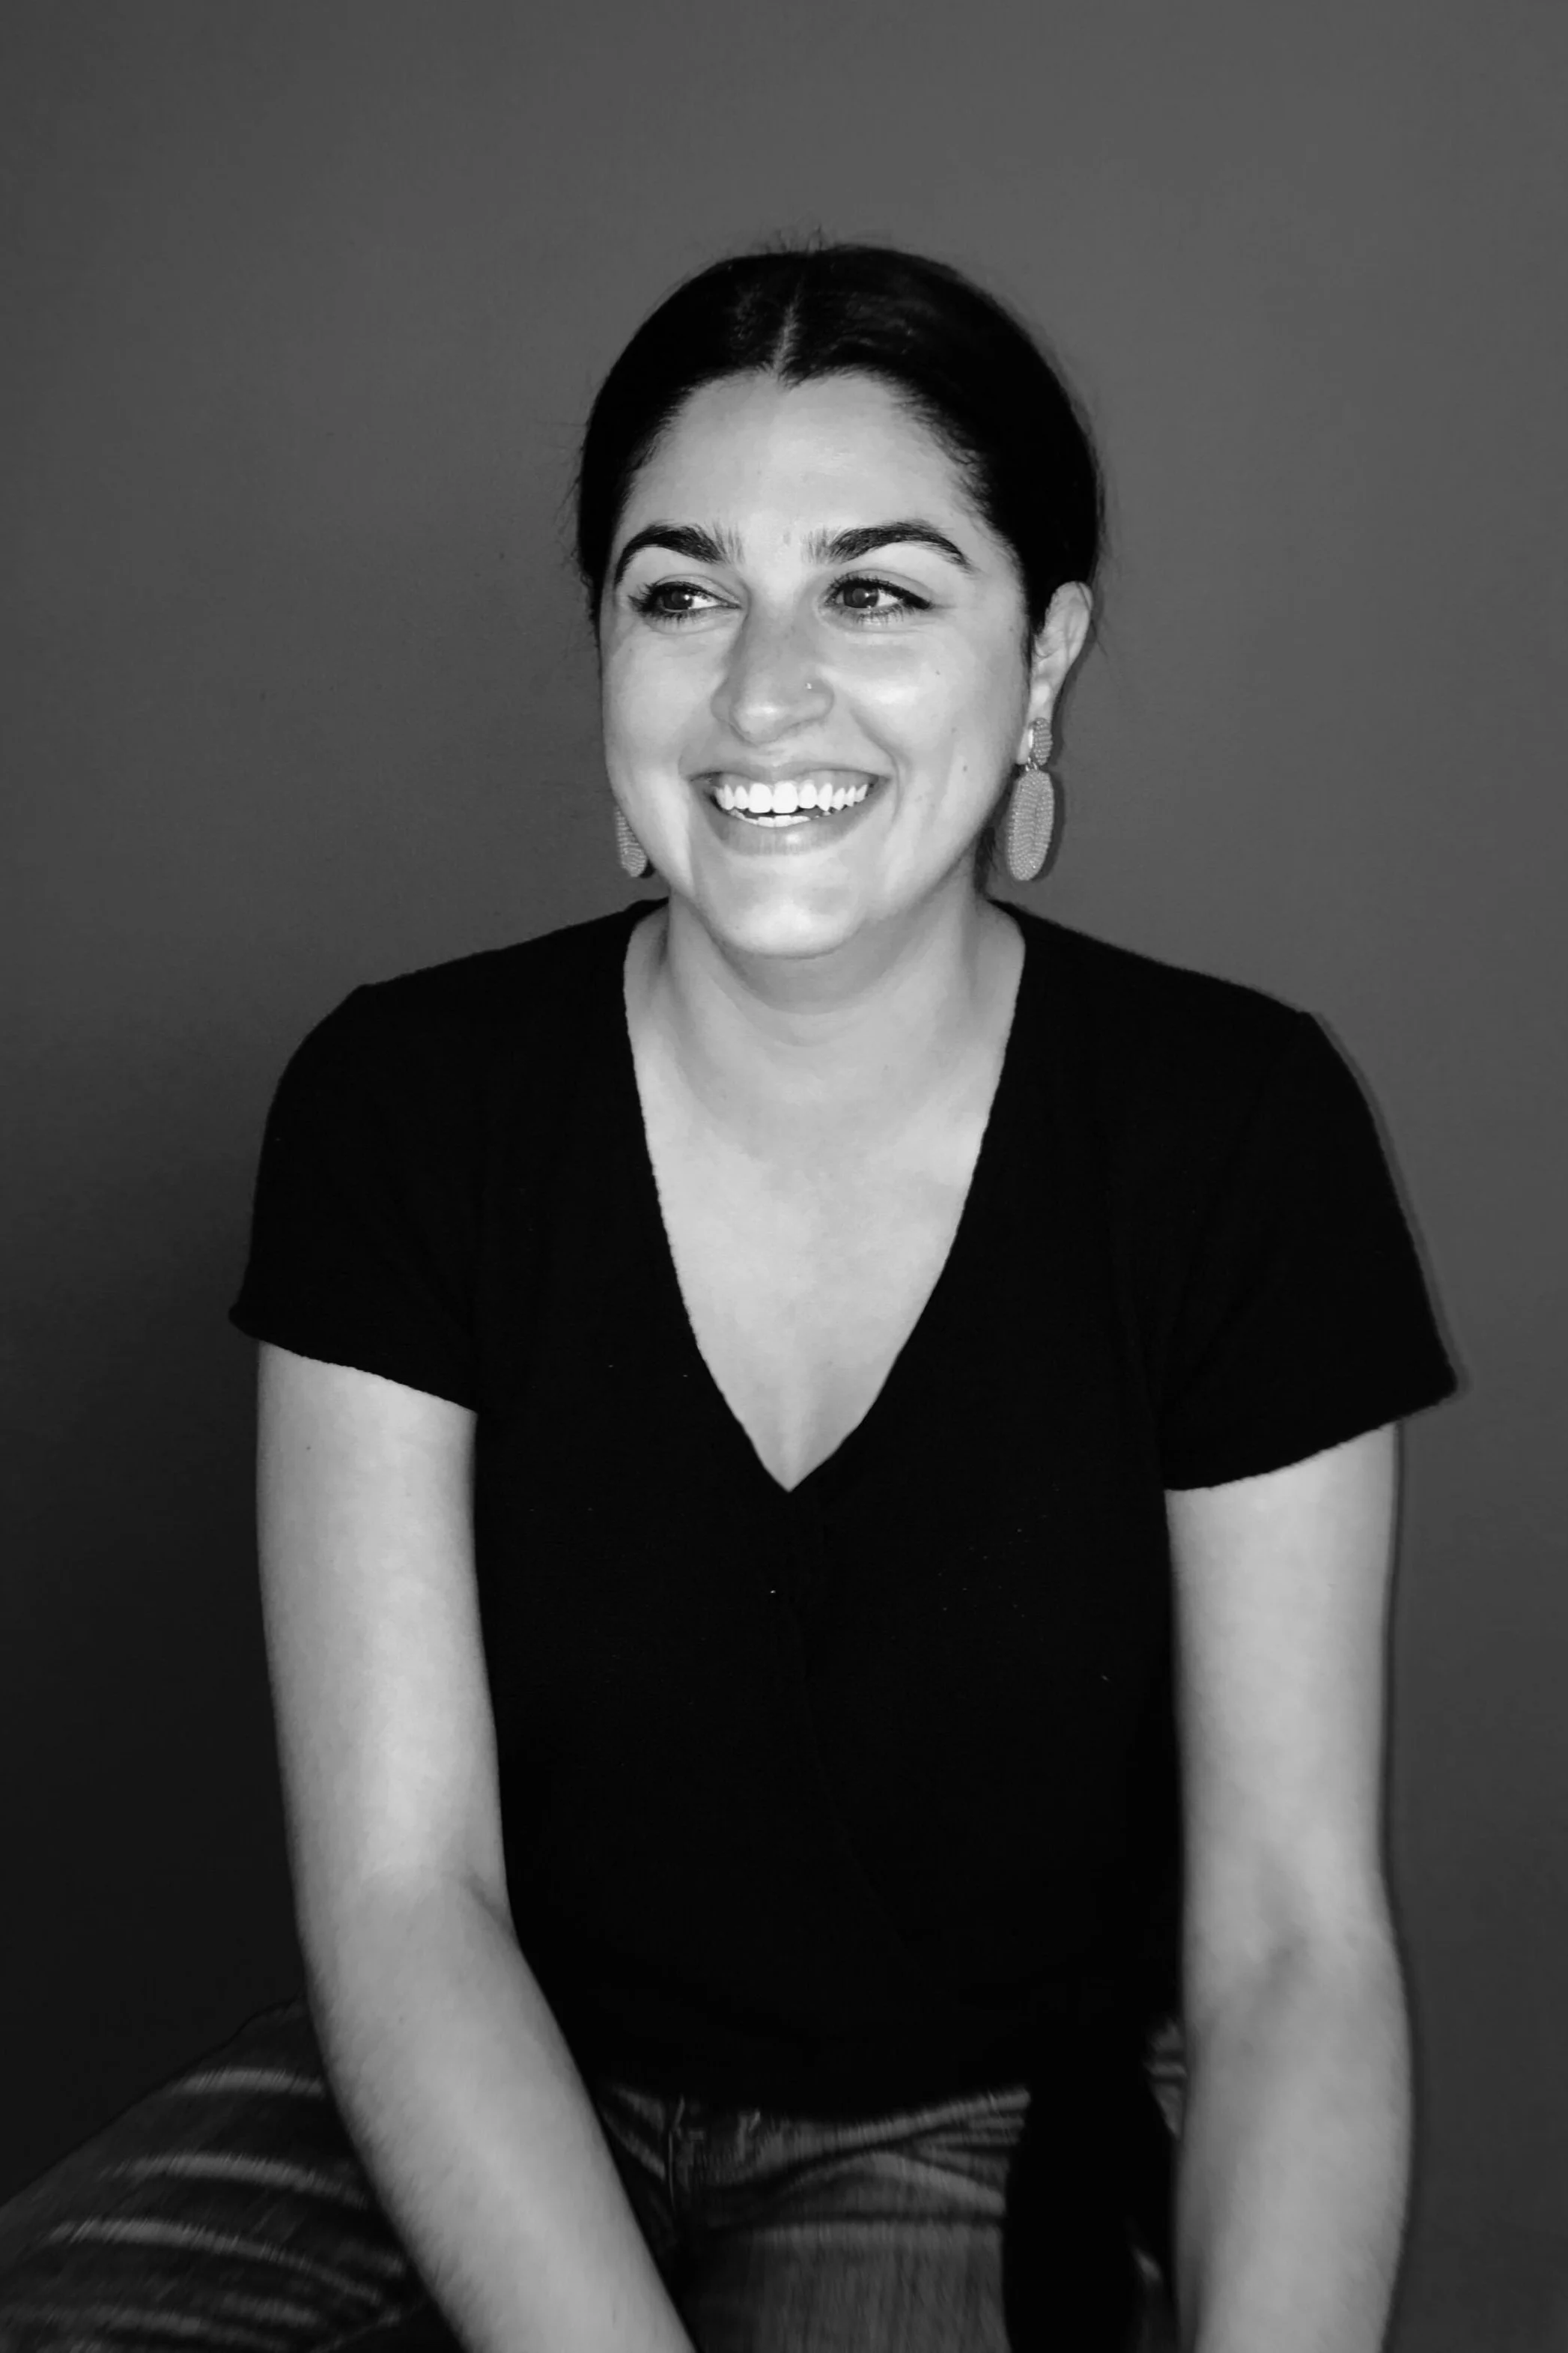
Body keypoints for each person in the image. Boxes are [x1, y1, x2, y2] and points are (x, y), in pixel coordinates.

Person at [0, 240, 1457, 2353]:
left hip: (967, 2121)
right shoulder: (405, 1110)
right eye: (680, 594)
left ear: (1040, 655)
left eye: (875, 589)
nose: (763, 691)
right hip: (482, 2046)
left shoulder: (1231, 1131)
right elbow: (404, 1904)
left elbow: (1290, 1946)